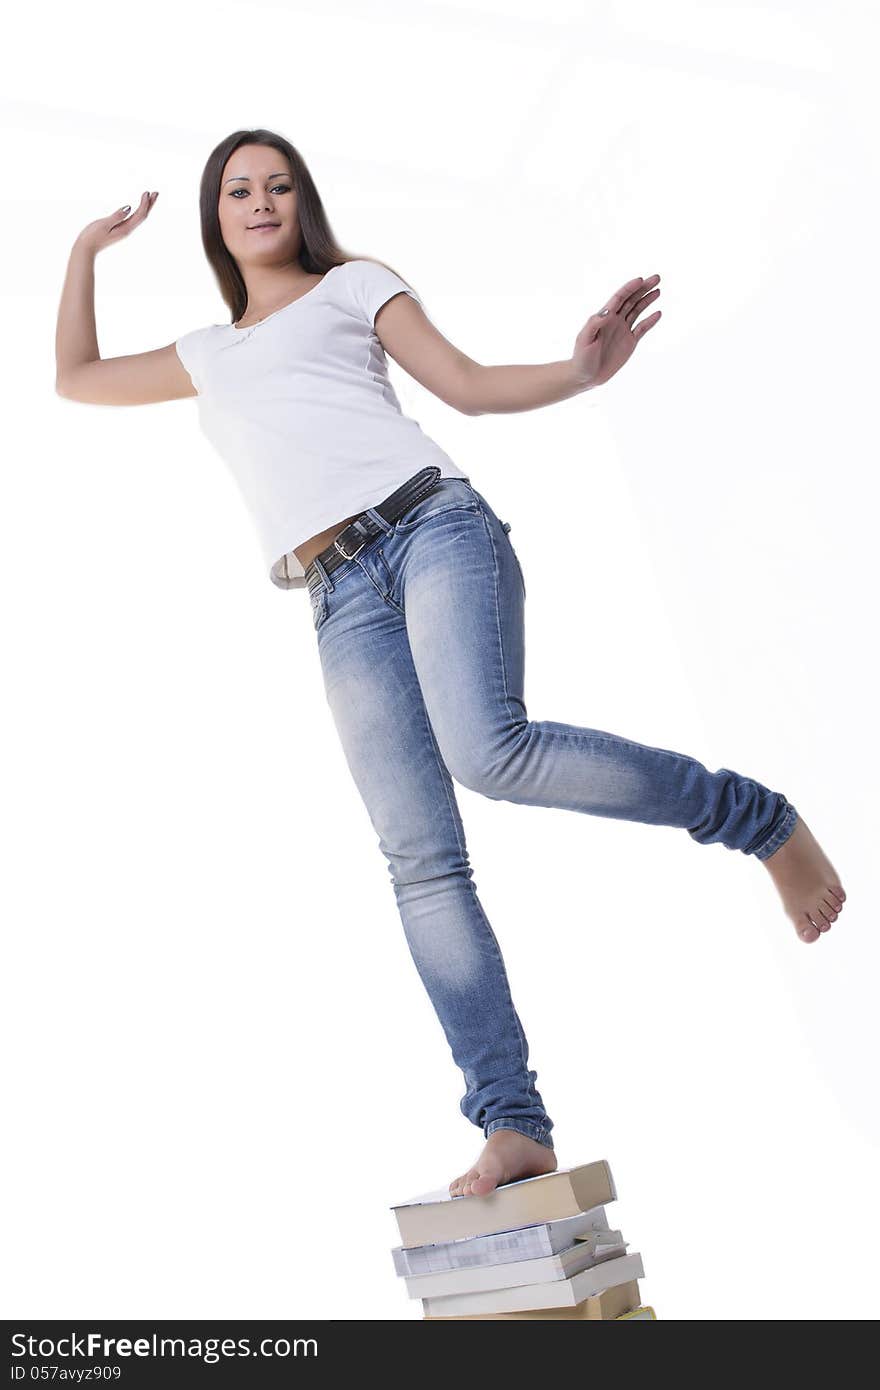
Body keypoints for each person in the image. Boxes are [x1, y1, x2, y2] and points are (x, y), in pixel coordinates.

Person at [55, 128, 846, 1202]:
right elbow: (77, 378)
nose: (260, 200)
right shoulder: (206, 354)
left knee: (492, 752)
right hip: (333, 598)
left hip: (429, 531)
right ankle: (512, 1123)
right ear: (215, 216)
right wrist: (85, 251)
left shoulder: (354, 286)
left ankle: (756, 819)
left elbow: (465, 385)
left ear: (303, 202)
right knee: (418, 860)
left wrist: (577, 370)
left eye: (279, 184)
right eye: (239, 188)